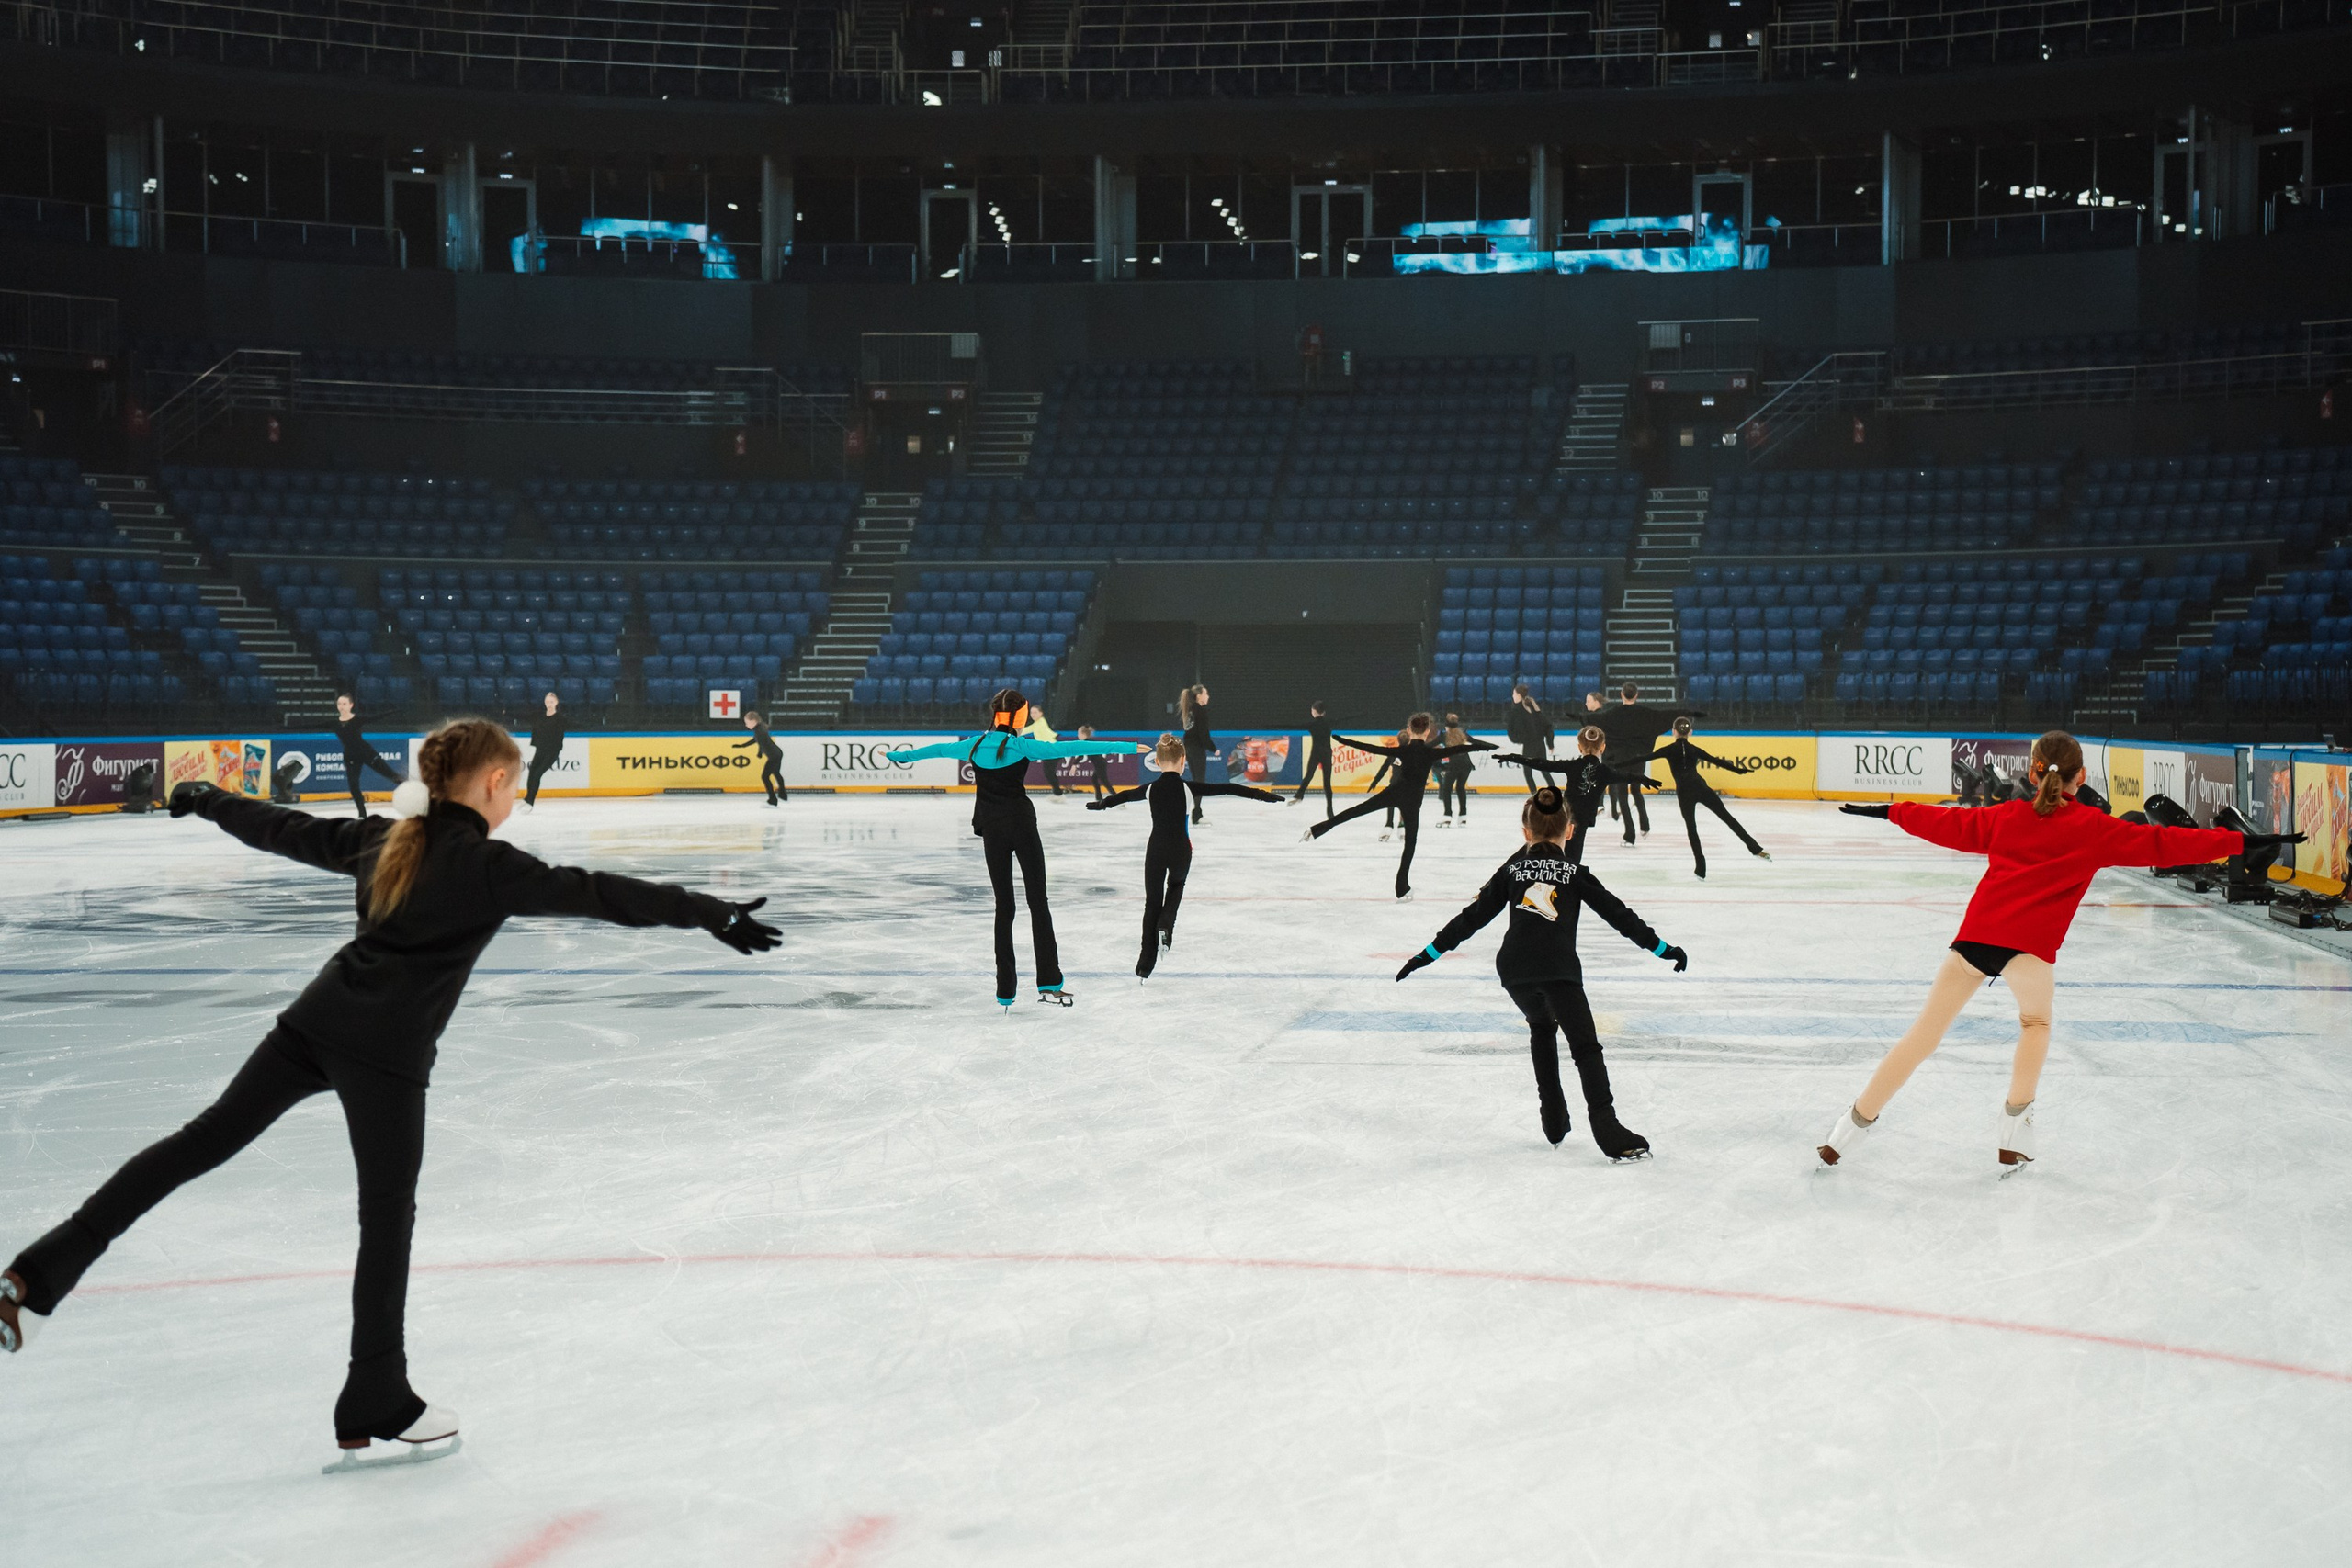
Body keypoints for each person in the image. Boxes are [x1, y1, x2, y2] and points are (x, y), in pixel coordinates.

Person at [0, 719, 781, 1468]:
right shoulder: (488, 865)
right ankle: (375, 1390)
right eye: (508, 790)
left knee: (194, 1145)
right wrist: (710, 911)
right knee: (385, 1220)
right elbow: (601, 893)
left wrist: (204, 795)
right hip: (388, 1058)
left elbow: (277, 826)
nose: (510, 804)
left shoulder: (383, 838)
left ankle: (36, 1273)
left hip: (314, 1022)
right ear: (495, 780)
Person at [1818, 730, 2298, 1171]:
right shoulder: (2095, 828)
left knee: (1922, 1036)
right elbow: (2165, 842)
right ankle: (2014, 1132)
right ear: (2081, 777)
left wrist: (1890, 811)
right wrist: (2245, 840)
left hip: (1975, 939)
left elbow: (1948, 822)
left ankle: (1846, 1132)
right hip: (2029, 950)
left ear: (2032, 773)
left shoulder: (2006, 816)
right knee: (2035, 1023)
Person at [1395, 785, 1688, 1158]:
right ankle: (1607, 1128)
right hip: (1557, 968)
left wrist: (1426, 955)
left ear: (1525, 832)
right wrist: (1664, 949)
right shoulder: (1575, 872)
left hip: (1515, 969)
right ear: (1570, 830)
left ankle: (1553, 1119)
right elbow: (1621, 917)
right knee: (1585, 1048)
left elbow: (1471, 919)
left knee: (1542, 1028)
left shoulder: (1511, 871)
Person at [888, 689, 1143, 1009]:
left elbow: (936, 749)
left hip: (993, 830)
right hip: (1022, 827)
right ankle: (1049, 981)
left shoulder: (974, 745)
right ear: (1020, 717)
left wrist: (900, 757)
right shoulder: (1022, 745)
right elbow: (1077, 746)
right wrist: (1129, 747)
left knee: (1003, 907)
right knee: (1038, 901)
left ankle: (1005, 989)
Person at [1089, 732, 1281, 977]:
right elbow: (1228, 788)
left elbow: (1125, 795)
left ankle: (1145, 965)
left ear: (1157, 762)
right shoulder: (1189, 788)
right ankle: (1166, 927)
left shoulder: (1149, 789)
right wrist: (1263, 795)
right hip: (1181, 849)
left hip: (1156, 849)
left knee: (1152, 903)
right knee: (1176, 887)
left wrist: (1103, 804)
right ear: (1183, 760)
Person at [1302, 713, 1493, 900]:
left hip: (1394, 792)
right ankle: (1401, 886)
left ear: (1409, 730)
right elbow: (1464, 749)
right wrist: (1489, 747)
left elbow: (1370, 748)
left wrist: (1342, 740)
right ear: (1427, 732)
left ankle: (1317, 829)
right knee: (1410, 843)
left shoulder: (1403, 750)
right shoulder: (1431, 752)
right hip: (1412, 801)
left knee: (1355, 811)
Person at [1614, 716, 1770, 879]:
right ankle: (1755, 848)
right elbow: (1717, 761)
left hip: (1684, 792)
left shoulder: (1668, 750)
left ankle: (1700, 868)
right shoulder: (1694, 749)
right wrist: (1738, 770)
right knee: (1727, 818)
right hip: (1701, 787)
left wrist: (1616, 766)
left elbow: (1642, 758)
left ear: (1673, 732)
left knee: (1692, 828)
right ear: (1690, 732)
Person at [1489, 725, 1662, 864]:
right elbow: (1627, 777)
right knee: (1572, 861)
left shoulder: (1572, 766)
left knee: (1534, 846)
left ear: (1579, 747)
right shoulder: (1605, 771)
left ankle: (1502, 876)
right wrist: (1643, 778)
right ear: (1603, 748)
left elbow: (1542, 763)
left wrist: (1514, 757)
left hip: (1562, 817)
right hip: (1579, 823)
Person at [1595, 684, 1702, 845]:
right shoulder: (1645, 715)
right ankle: (1645, 825)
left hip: (1621, 759)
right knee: (1636, 790)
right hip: (1639, 758)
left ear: (1621, 695)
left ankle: (1629, 835)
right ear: (1636, 695)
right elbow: (1661, 721)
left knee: (1623, 795)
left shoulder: (1614, 714)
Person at [333, 694, 405, 819]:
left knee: (391, 775)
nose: (341, 707)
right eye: (339, 704)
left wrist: (395, 711)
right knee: (353, 785)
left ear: (351, 705)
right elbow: (310, 726)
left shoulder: (357, 719)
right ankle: (362, 814)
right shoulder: (334, 724)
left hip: (366, 753)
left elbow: (376, 717)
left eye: (344, 704)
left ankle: (415, 792)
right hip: (350, 757)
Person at [1505, 684, 1555, 793]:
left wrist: (1517, 739)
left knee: (1528, 771)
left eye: (1514, 694)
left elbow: (1512, 728)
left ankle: (1534, 794)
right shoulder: (1535, 708)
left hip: (1529, 745)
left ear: (1518, 695)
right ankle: (1554, 792)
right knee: (1544, 770)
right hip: (1540, 744)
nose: (1513, 696)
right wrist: (1550, 743)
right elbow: (1547, 725)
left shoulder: (1517, 710)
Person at [1292, 701, 1336, 818]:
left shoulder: (1311, 725)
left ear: (1314, 711)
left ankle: (1299, 795)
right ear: (1324, 712)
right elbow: (1347, 719)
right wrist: (1362, 714)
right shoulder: (1329, 723)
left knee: (1309, 775)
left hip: (1316, 754)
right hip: (1326, 754)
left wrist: (1270, 726)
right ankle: (1330, 811)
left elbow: (1292, 726)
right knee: (1327, 783)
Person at [522, 691, 565, 809]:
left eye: (551, 701)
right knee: (532, 773)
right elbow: (524, 717)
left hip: (552, 752)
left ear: (556, 702)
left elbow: (576, 725)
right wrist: (506, 713)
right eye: (547, 701)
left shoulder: (560, 718)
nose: (549, 704)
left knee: (537, 774)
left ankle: (530, 801)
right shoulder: (539, 715)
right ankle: (528, 798)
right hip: (540, 750)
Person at [1179, 684, 1215, 825]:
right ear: (1199, 695)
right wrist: (1213, 748)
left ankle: (1195, 813)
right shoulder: (1199, 710)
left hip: (1189, 748)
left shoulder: (1190, 710)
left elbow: (1189, 732)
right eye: (1206, 693)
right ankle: (1197, 814)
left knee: (1196, 781)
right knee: (1199, 782)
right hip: (1197, 749)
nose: (1208, 696)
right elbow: (1203, 734)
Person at [736, 711, 786, 806]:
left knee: (765, 777)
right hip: (777, 753)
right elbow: (757, 740)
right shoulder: (759, 729)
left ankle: (773, 799)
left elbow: (761, 743)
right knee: (776, 773)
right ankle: (783, 794)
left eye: (747, 723)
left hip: (774, 756)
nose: (746, 725)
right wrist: (743, 746)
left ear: (753, 721)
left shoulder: (760, 731)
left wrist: (760, 752)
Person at [1436, 713, 1477, 826]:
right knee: (1460, 788)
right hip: (1466, 765)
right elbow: (1477, 742)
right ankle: (1463, 817)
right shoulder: (1463, 734)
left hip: (1454, 765)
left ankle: (1447, 816)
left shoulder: (1444, 736)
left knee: (1446, 790)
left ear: (1446, 726)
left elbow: (1429, 745)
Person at [1076, 725, 1116, 800]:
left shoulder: (1086, 743)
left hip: (1100, 764)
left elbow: (1080, 755)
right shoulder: (1089, 741)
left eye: (1078, 733)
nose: (1077, 735)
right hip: (1100, 763)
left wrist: (1074, 765)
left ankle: (1118, 799)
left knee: (1105, 782)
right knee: (1094, 779)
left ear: (1083, 734)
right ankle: (1099, 798)